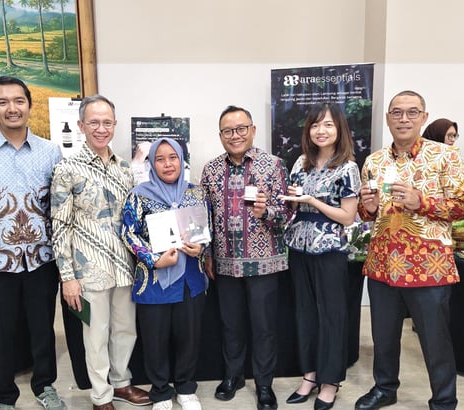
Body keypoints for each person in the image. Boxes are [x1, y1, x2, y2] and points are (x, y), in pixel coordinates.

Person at [356, 90, 464, 410]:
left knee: (435, 340)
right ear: (388, 118)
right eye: (396, 112)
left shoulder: (445, 156)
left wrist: (421, 202)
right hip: (382, 264)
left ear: (423, 117)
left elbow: (463, 206)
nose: (403, 118)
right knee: (383, 336)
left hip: (428, 266)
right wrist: (368, 208)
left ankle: (444, 400)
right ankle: (385, 388)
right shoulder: (374, 161)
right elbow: (368, 214)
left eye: (412, 112)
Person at [0, 76, 66, 410]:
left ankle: (44, 386)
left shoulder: (51, 151)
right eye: (2, 102)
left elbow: (60, 209)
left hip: (42, 259)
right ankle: (5, 397)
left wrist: (63, 261)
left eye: (19, 101)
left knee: (43, 329)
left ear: (30, 105)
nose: (12, 108)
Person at [50, 94, 151, 410]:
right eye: (94, 122)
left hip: (125, 267)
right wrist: (67, 277)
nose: (101, 128)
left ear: (115, 125)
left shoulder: (126, 168)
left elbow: (135, 217)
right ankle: (100, 395)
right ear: (81, 125)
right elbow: (59, 225)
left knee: (125, 330)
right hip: (87, 270)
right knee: (95, 335)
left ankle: (121, 383)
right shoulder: (67, 169)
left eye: (107, 122)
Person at [200, 105, 291, 410]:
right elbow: (205, 218)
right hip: (225, 263)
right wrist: (208, 254)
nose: (235, 135)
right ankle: (233, 376)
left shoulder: (273, 165)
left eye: (241, 129)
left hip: (264, 263)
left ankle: (264, 384)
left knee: (264, 327)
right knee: (231, 324)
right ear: (220, 135)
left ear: (253, 130)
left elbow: (288, 213)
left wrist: (268, 212)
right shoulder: (211, 170)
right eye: (228, 131)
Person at [279, 103, 361, 410]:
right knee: (305, 314)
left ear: (339, 129)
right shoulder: (301, 162)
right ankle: (310, 375)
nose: (320, 131)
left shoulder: (347, 167)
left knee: (331, 316)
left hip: (330, 249)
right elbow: (293, 203)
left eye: (327, 124)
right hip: (299, 247)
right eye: (315, 125)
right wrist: (288, 201)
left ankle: (330, 382)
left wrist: (312, 200)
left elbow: (348, 216)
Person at [120, 138, 210, 410]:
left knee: (189, 337)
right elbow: (128, 233)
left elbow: (207, 229)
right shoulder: (139, 195)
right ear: (152, 163)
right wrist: (153, 259)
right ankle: (160, 391)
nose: (168, 164)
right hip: (154, 280)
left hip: (190, 278)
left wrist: (201, 248)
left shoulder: (196, 193)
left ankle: (185, 388)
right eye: (160, 159)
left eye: (173, 157)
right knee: (155, 340)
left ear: (181, 160)